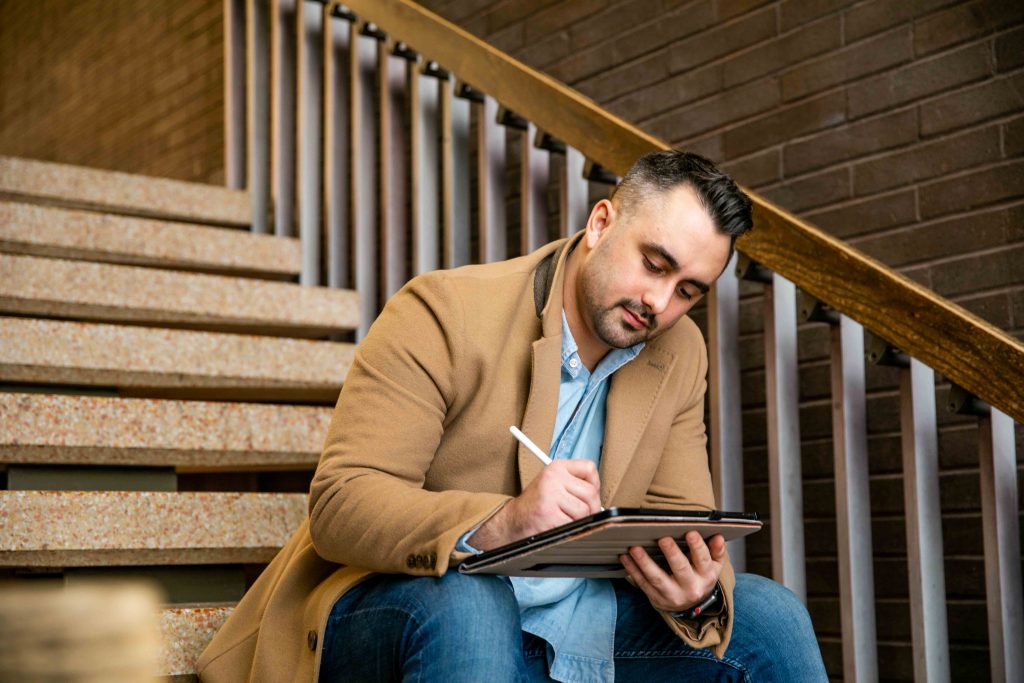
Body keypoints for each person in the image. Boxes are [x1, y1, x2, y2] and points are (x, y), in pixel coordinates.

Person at [197, 150, 827, 682]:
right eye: (654, 264)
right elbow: (342, 504)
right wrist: (507, 521)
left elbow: (680, 522)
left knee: (771, 617)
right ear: (600, 223)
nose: (660, 303)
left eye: (689, 290)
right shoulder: (444, 309)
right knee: (472, 604)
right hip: (401, 612)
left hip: (573, 623)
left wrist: (696, 593)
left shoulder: (679, 352)